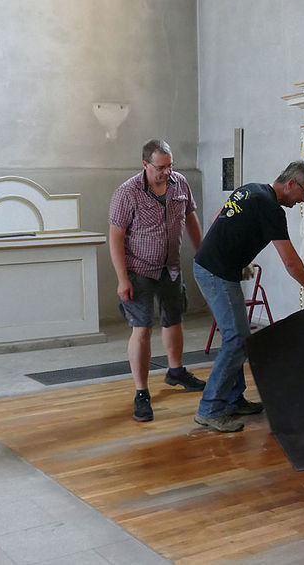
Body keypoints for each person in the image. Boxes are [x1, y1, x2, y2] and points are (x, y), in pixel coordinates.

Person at [192, 161, 304, 433]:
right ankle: (210, 409)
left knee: (238, 336)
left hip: (213, 266)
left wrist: (235, 257)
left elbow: (220, 216)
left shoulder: (250, 190)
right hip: (216, 272)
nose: (303, 200)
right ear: (291, 184)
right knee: (237, 338)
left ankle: (233, 398)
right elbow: (290, 261)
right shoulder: (271, 209)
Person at [108, 139, 206, 423]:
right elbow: (115, 237)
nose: (167, 172)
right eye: (160, 167)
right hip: (138, 269)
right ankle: (141, 392)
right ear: (145, 165)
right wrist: (122, 278)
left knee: (174, 319)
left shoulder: (180, 184)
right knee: (142, 328)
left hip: (170, 267)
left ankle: (176, 371)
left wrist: (203, 253)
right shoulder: (127, 193)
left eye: (170, 165)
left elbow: (190, 218)